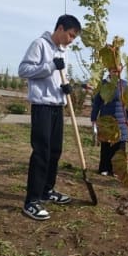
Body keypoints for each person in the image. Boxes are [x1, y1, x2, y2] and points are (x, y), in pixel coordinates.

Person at [18, 14, 81, 221]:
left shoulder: (64, 51)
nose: (71, 40)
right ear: (60, 28)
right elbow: (24, 70)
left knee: (55, 151)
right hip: (42, 106)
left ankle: (47, 190)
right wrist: (50, 67)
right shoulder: (40, 45)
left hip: (57, 106)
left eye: (73, 38)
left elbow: (61, 75)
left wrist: (67, 86)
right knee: (41, 152)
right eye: (70, 35)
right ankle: (32, 201)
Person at [91, 67, 128, 176]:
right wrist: (93, 119)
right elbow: (96, 103)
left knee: (119, 145)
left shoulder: (124, 84)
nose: (116, 73)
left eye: (118, 71)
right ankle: (104, 168)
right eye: (114, 71)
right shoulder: (103, 84)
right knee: (106, 144)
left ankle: (116, 170)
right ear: (109, 70)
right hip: (106, 119)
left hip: (121, 119)